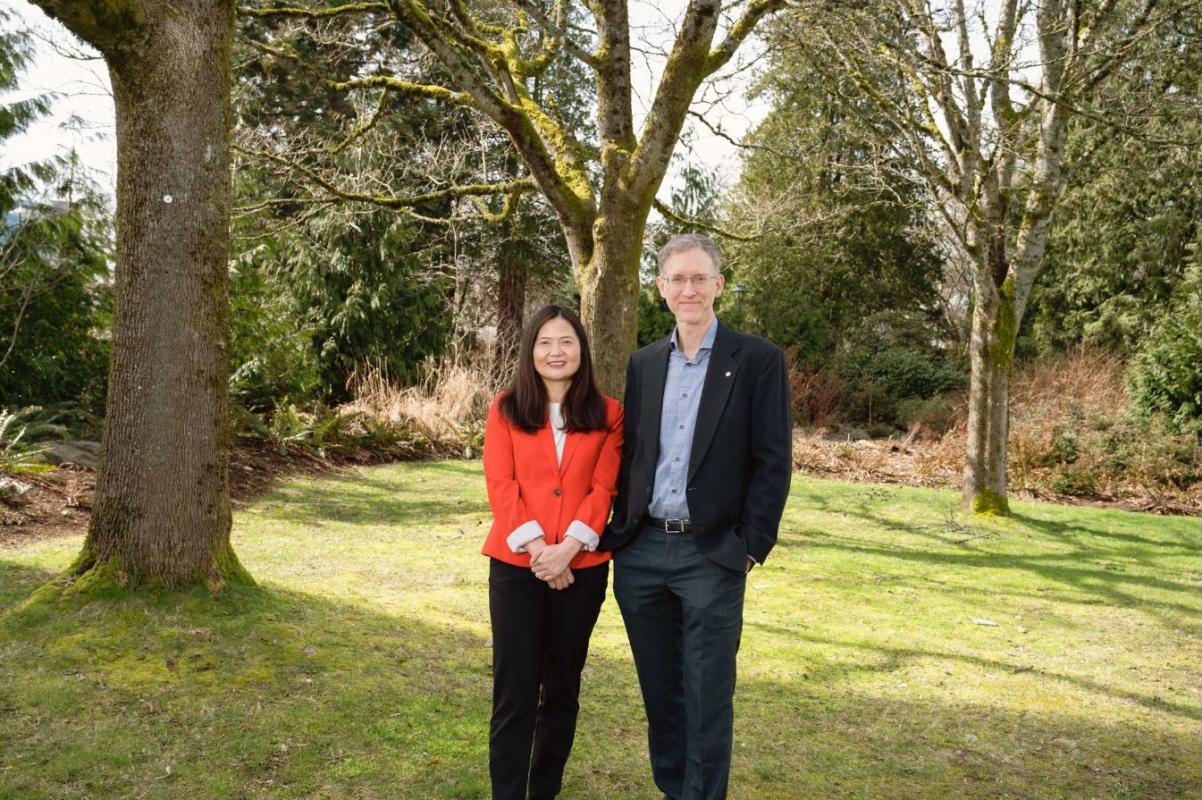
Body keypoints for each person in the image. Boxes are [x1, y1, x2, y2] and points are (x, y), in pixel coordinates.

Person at [600, 233, 792, 800]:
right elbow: (634, 452)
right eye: (677, 279)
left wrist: (750, 545)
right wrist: (621, 531)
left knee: (707, 696)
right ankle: (671, 790)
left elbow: (773, 460)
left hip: (711, 555)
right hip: (642, 553)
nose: (689, 289)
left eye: (699, 278)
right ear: (661, 289)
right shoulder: (643, 364)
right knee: (661, 694)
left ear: (719, 286)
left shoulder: (756, 360)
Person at [482, 304, 623, 800]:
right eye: (545, 342)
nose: (555, 351)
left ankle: (544, 791)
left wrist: (568, 550)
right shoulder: (505, 408)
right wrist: (543, 550)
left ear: (582, 350)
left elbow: (604, 488)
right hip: (517, 567)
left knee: (562, 689)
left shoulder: (609, 413)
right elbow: (501, 484)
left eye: (566, 341)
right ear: (531, 351)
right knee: (515, 692)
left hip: (581, 569)